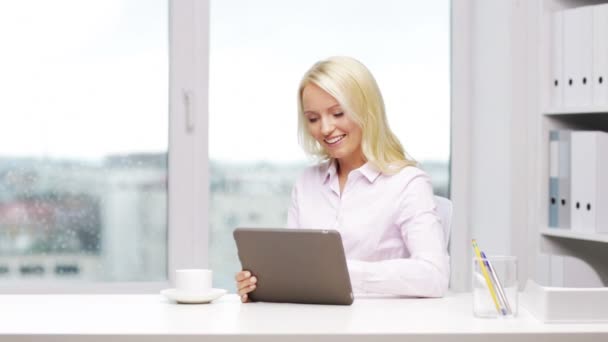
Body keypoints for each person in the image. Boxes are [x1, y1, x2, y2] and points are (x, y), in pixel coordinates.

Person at [235, 56, 449, 302]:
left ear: (366, 111)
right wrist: (264, 286)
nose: (325, 128)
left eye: (337, 113)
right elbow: (295, 270)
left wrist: (342, 271)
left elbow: (434, 275)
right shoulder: (307, 183)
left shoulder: (407, 182)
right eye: (313, 119)